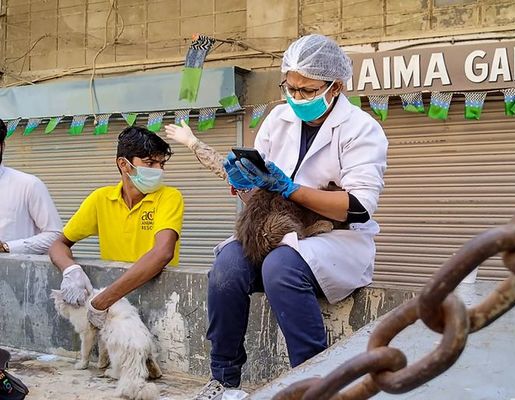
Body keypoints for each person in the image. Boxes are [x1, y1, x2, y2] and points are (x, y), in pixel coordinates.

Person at [167, 34, 388, 399]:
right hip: (279, 229)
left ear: (336, 87)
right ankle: (223, 381)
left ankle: (313, 383)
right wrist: (244, 182)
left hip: (334, 238)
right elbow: (261, 179)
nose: (296, 97)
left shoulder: (362, 130)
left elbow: (358, 207)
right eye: (291, 86)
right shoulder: (278, 118)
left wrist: (290, 189)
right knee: (227, 266)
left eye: (307, 90)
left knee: (280, 267)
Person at [49, 126, 184, 329]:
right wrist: (70, 269)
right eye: (150, 163)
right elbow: (59, 244)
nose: (158, 170)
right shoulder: (100, 199)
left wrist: (102, 301)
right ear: (124, 164)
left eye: (161, 164)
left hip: (159, 303)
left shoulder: (168, 197)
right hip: (116, 309)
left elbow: (162, 253)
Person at [0, 118, 62, 255]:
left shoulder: (28, 185)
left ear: (2, 146)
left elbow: (55, 236)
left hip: (16, 273)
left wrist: (7, 247)